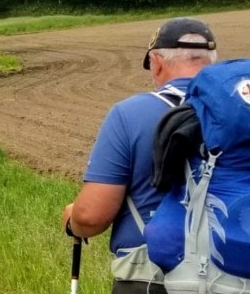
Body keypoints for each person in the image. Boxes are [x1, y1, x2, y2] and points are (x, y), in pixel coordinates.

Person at [61, 18, 219, 294]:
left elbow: (92, 217)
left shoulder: (130, 114)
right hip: (247, 276)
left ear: (156, 62)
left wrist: (74, 219)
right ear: (213, 62)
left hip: (153, 279)